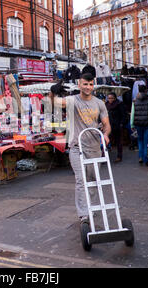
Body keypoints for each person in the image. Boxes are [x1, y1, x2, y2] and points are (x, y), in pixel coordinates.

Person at [53, 72, 111, 224]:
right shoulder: (73, 100)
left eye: (91, 84)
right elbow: (56, 102)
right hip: (77, 147)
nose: (88, 87)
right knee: (81, 180)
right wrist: (53, 91)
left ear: (94, 85)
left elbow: (107, 125)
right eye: (85, 84)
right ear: (79, 84)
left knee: (93, 180)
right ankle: (84, 214)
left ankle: (91, 207)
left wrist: (105, 135)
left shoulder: (99, 103)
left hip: (94, 148)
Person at [130, 85, 148, 165]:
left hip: (138, 124)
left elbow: (132, 113)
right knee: (147, 141)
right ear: (145, 91)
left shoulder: (135, 101)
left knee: (140, 140)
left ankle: (141, 157)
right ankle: (146, 159)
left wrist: (132, 124)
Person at [105, 92, 127, 162]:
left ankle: (119, 156)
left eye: (111, 98)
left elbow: (124, 115)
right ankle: (105, 156)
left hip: (117, 125)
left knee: (118, 142)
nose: (110, 100)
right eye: (108, 98)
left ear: (115, 98)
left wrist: (121, 124)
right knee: (106, 141)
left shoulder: (119, 104)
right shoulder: (106, 105)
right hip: (109, 125)